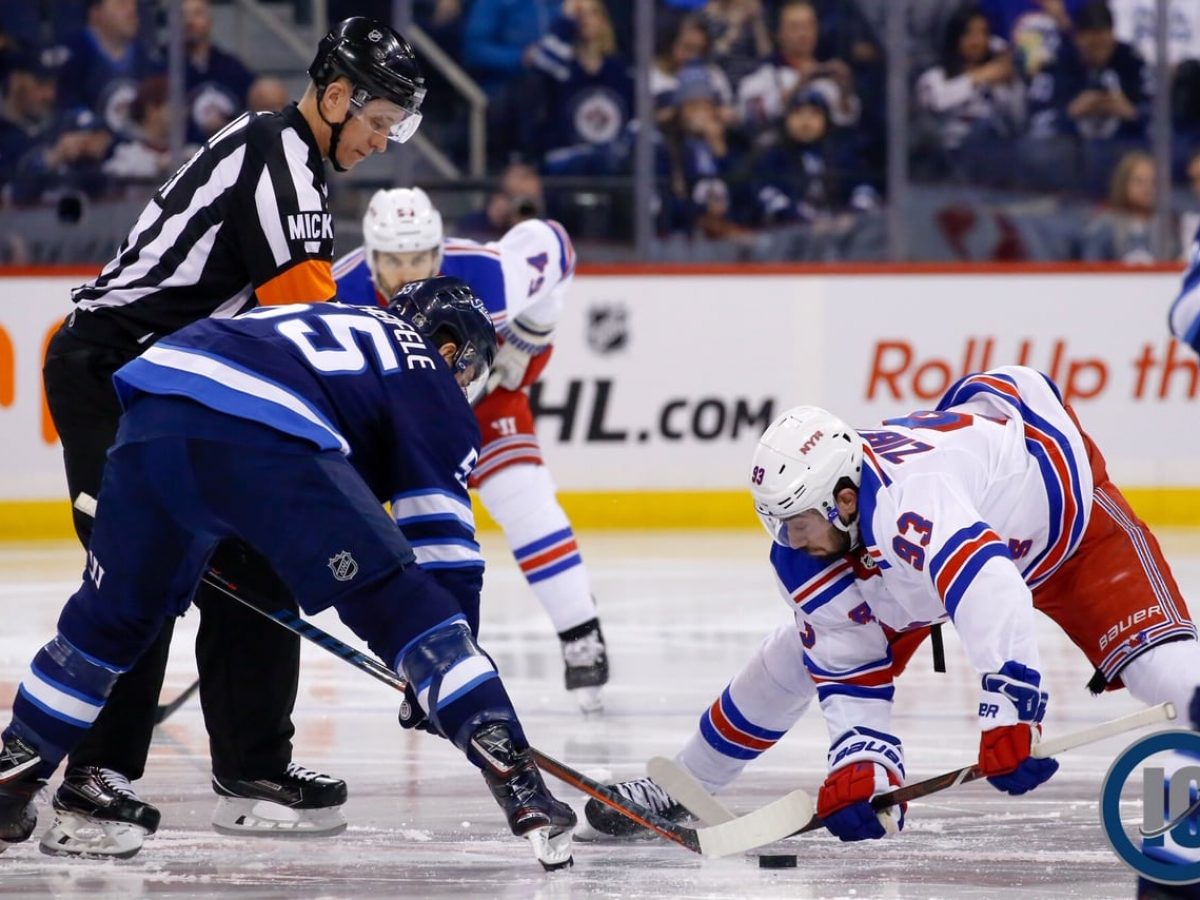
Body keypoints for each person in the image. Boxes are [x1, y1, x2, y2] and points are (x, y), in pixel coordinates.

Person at [0, 279, 578, 870]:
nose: (464, 385)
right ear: (450, 346)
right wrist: (440, 670)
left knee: (104, 627)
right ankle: (520, 783)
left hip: (152, 409)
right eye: (468, 370)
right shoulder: (426, 369)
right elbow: (446, 555)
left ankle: (12, 776)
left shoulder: (333, 322)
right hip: (264, 430)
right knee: (408, 610)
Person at [36, 16, 426, 858]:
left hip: (179, 388)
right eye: (378, 122)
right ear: (334, 97)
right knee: (141, 565)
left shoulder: (292, 160)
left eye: (394, 129)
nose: (381, 141)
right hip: (113, 377)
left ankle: (253, 769)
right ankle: (90, 783)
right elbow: (308, 332)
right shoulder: (278, 157)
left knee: (257, 557)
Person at [581, 365, 1200, 847]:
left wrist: (1011, 713)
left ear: (844, 500)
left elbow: (991, 587)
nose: (789, 540)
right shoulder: (815, 542)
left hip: (1067, 528)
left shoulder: (914, 500)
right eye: (777, 523)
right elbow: (849, 666)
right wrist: (865, 763)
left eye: (797, 521)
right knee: (794, 657)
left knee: (1160, 666)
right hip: (924, 567)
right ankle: (685, 782)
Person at [332, 187, 611, 713]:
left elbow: (554, 245)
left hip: (480, 396)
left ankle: (580, 630)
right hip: (395, 418)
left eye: (420, 258)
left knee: (523, 498)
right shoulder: (337, 291)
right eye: (394, 260)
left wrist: (529, 336)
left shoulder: (489, 272)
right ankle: (424, 647)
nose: (407, 272)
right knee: (397, 533)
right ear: (370, 257)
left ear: (439, 250)